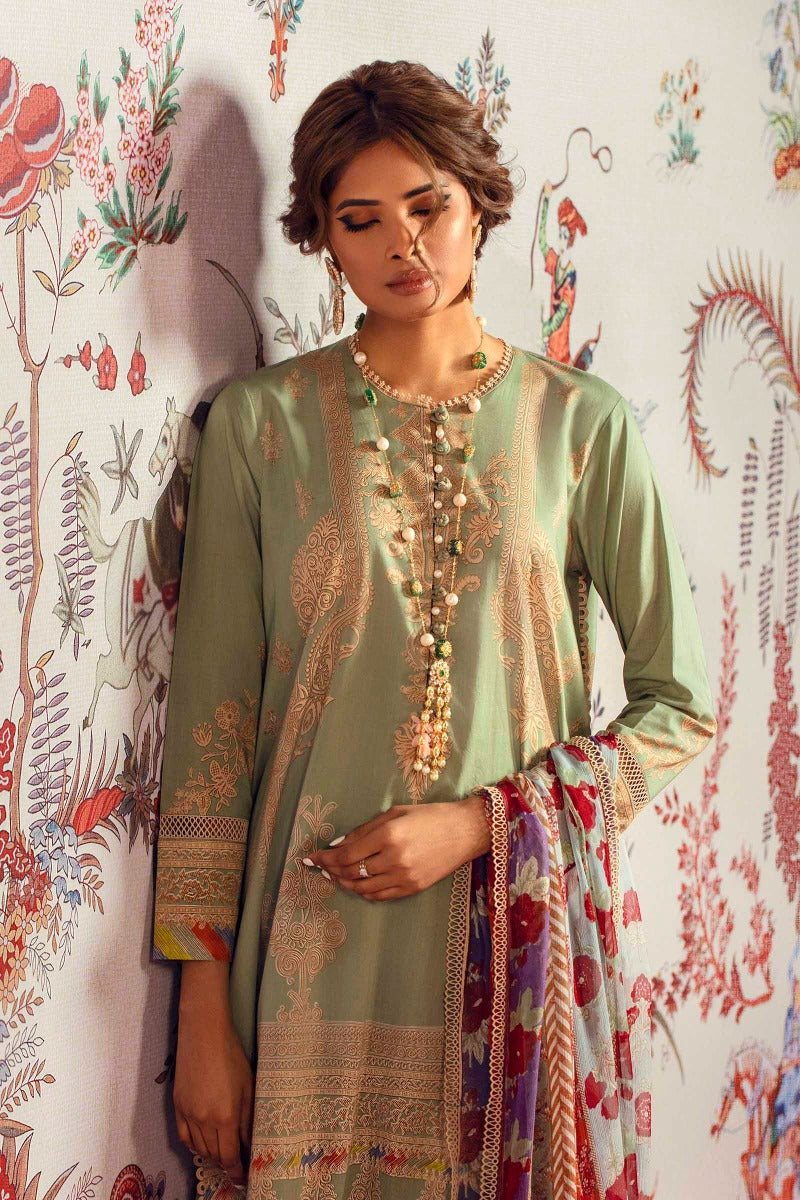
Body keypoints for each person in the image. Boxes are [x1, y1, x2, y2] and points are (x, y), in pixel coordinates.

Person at [152, 59, 717, 1200]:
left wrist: (478, 826)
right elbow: (213, 732)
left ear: (478, 203)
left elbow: (680, 710)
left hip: (508, 956)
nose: (403, 245)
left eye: (427, 207)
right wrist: (201, 1014)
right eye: (360, 220)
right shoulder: (261, 428)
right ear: (323, 240)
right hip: (307, 966)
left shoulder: (582, 429)